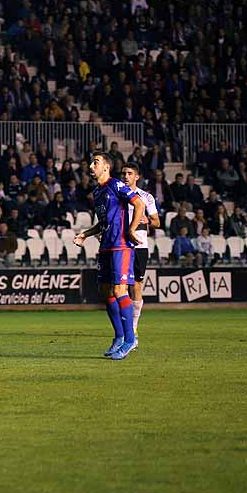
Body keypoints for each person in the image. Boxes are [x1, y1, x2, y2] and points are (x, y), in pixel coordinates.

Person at [73, 152, 146, 361]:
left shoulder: (116, 185)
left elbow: (139, 204)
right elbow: (102, 222)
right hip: (105, 245)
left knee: (119, 290)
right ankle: (119, 336)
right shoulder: (97, 192)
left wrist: (132, 230)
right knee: (106, 292)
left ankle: (130, 340)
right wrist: (86, 234)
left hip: (120, 245)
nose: (91, 165)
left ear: (106, 167)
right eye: (91, 162)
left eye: (96, 162)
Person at [122, 163, 160, 340]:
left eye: (130, 173)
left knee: (136, 285)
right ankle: (124, 328)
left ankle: (133, 326)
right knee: (120, 287)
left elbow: (157, 222)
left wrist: (146, 220)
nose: (126, 176)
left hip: (139, 246)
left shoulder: (146, 197)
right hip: (121, 245)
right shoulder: (117, 195)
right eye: (124, 173)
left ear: (137, 176)